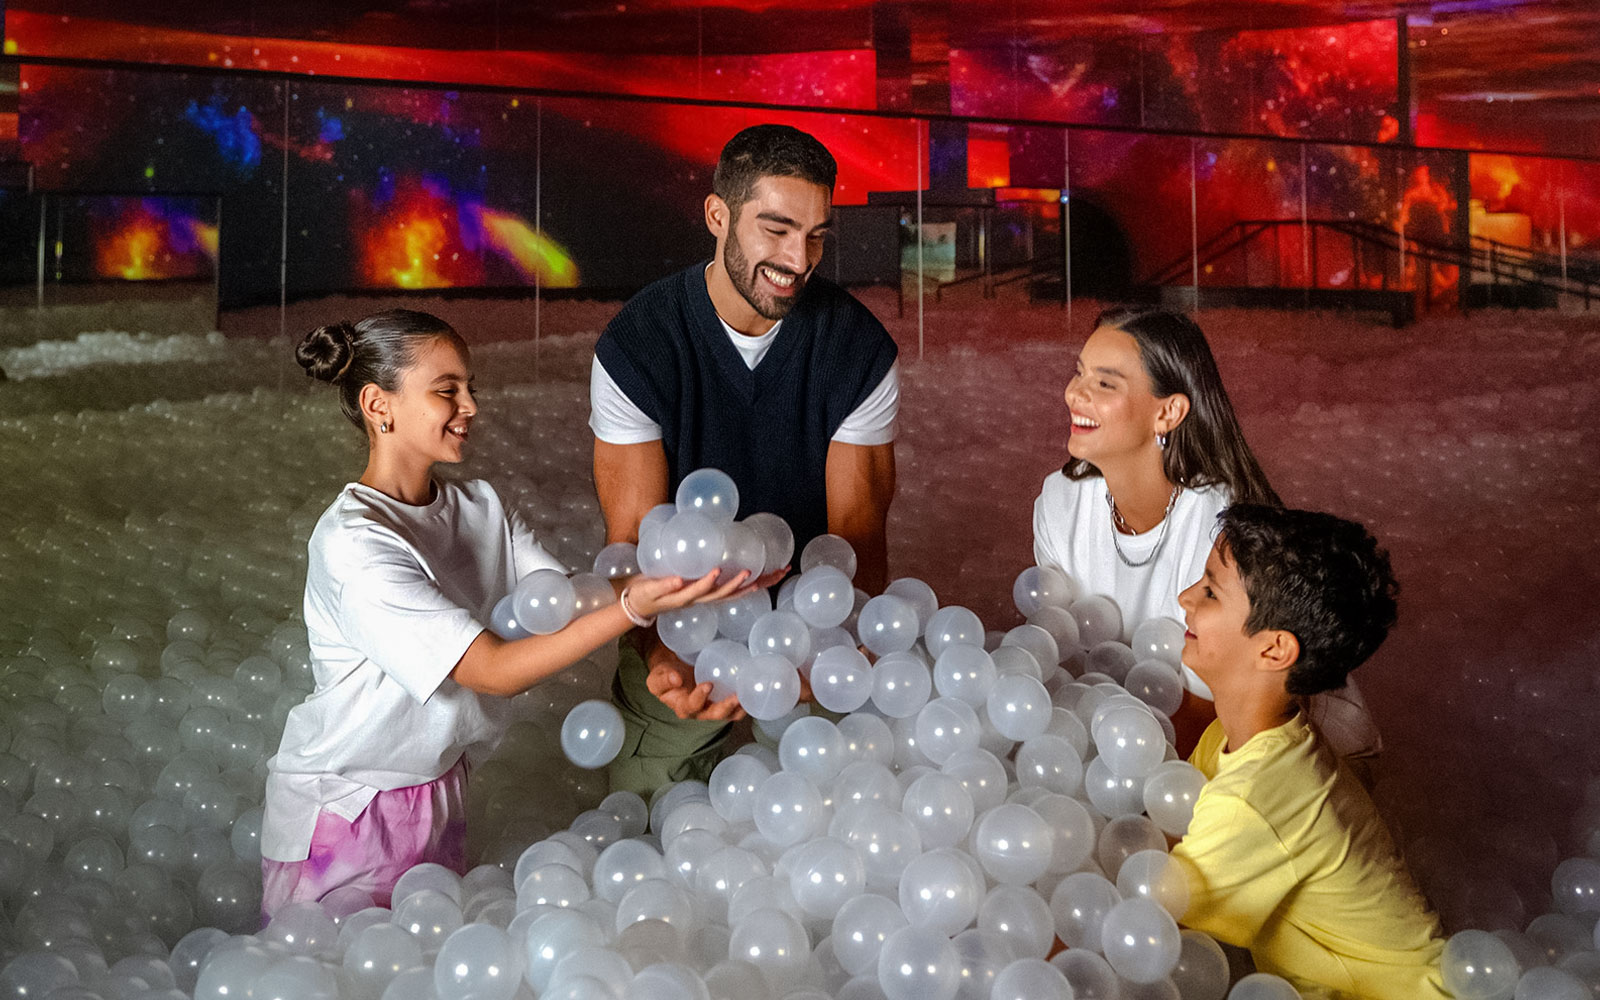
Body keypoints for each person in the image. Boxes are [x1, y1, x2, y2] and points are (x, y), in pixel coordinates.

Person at [262, 309, 745, 916]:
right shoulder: (354, 542)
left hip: (440, 788)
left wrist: (690, 582)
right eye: (447, 391)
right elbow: (492, 669)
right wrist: (633, 605)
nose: (470, 406)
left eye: (470, 388)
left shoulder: (481, 507)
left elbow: (570, 597)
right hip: (346, 806)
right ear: (377, 405)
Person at [590, 124, 899, 792]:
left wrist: (841, 657)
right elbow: (631, 540)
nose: (800, 258)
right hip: (678, 618)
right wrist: (658, 653)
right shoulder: (637, 345)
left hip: (813, 628)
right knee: (646, 821)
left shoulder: (858, 350)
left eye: (817, 234)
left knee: (841, 829)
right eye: (777, 228)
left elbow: (859, 536)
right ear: (717, 215)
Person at [1032, 306, 1377, 760]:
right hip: (1130, 735)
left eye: (1105, 383)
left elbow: (1215, 712)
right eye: (1079, 373)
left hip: (1257, 752)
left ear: (1169, 412)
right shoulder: (1060, 502)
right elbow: (1059, 658)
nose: (1074, 394)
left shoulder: (1220, 523)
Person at [1170, 504, 1447, 1000]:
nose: (1185, 596)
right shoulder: (1236, 739)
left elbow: (1148, 920)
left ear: (1274, 650)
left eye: (1210, 591)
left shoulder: (1255, 796)